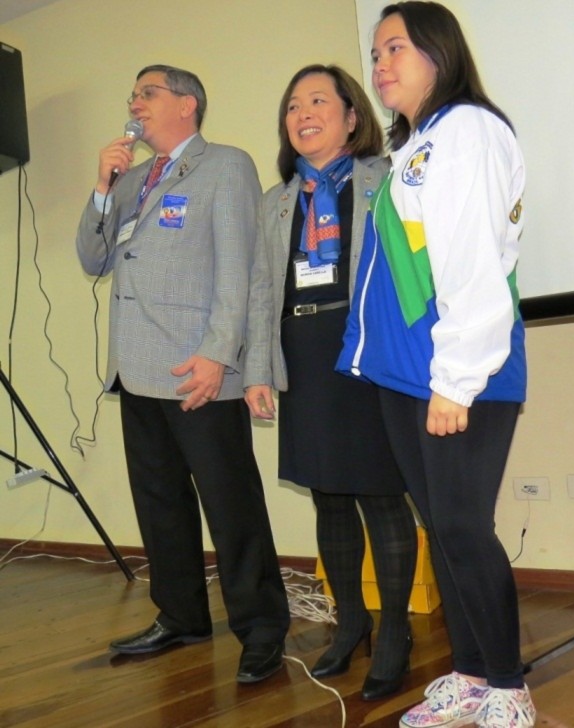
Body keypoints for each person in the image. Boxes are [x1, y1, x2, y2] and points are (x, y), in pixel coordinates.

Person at [336, 3, 536, 727]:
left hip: (458, 376)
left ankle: (508, 686)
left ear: (438, 51)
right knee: (443, 528)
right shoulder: (416, 146)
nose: (379, 63)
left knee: (461, 526)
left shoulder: (467, 129)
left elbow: (472, 261)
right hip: (408, 375)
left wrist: (454, 381)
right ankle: (472, 674)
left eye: (395, 47)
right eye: (375, 51)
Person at [75, 64, 290, 684]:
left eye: (147, 92)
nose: (135, 103)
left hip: (198, 368)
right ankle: (181, 615)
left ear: (187, 103)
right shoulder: (132, 179)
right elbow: (93, 257)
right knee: (160, 502)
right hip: (135, 369)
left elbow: (242, 268)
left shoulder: (225, 165)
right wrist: (102, 187)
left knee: (231, 504)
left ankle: (262, 629)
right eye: (132, 95)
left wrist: (219, 353)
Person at [244, 64, 418, 701]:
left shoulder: (387, 179)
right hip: (305, 351)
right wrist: (258, 369)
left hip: (367, 347)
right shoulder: (277, 201)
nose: (303, 114)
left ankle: (395, 630)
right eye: (293, 106)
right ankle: (352, 623)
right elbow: (261, 290)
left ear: (351, 116)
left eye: (318, 100)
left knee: (381, 494)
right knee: (330, 496)